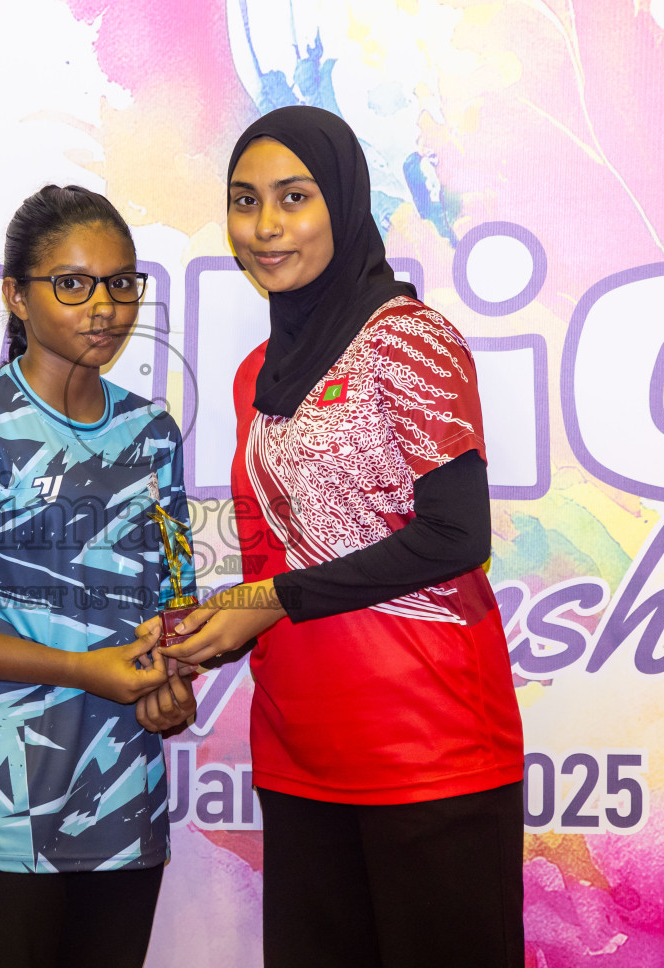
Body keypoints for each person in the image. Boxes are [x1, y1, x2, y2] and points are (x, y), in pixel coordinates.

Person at [161, 107, 525, 967]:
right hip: (299, 754)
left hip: (429, 752)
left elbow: (455, 535)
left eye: (295, 197)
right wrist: (196, 642)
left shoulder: (409, 340)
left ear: (346, 203)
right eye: (245, 201)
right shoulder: (259, 374)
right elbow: (271, 564)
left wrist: (273, 598)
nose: (266, 226)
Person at [0, 184, 198, 968]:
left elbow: (173, 604)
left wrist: (171, 682)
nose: (105, 307)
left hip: (127, 809)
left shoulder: (152, 433)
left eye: (123, 284)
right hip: (3, 814)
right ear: (17, 296)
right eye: (73, 283)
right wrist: (80, 669)